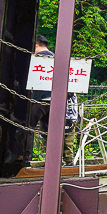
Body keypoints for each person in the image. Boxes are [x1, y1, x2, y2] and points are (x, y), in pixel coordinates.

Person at [27, 34, 77, 165]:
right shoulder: (57, 58)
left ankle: (26, 158)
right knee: (53, 130)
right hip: (56, 100)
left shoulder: (36, 58)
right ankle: (55, 159)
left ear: (36, 45)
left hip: (39, 99)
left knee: (29, 127)